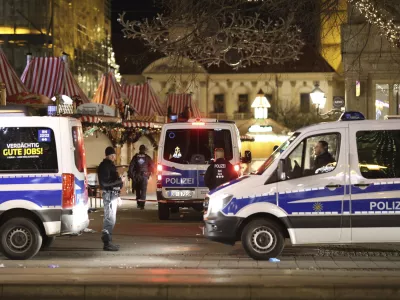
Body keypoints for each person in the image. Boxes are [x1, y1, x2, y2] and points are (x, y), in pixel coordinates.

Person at [97, 146, 123, 251]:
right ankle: (107, 243)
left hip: (112, 194)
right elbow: (104, 183)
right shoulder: (105, 166)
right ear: (108, 155)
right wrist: (119, 181)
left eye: (114, 155)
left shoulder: (109, 165)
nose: (113, 157)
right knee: (109, 218)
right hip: (109, 194)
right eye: (112, 155)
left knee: (112, 218)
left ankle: (109, 241)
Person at [128, 145, 154, 209]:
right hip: (144, 175)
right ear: (144, 150)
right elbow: (153, 166)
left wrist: (132, 176)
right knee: (143, 190)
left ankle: (138, 204)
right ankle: (142, 205)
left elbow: (131, 166)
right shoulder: (147, 157)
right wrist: (149, 173)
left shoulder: (135, 157)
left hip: (137, 176)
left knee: (138, 190)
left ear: (139, 150)